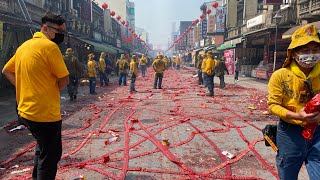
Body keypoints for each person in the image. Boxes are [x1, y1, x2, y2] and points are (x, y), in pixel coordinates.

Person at [2, 13, 69, 180]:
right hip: (45, 114)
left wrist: (24, 87)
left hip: (25, 112)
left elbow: (6, 71)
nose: (61, 34)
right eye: (58, 30)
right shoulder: (50, 47)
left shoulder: (23, 46)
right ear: (45, 28)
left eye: (63, 31)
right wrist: (52, 89)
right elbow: (64, 79)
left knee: (42, 149)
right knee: (50, 157)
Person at [268, 24, 320, 180]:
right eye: (305, 51)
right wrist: (297, 115)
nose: (311, 55)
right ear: (294, 53)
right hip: (290, 133)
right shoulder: (280, 75)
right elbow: (273, 105)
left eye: (315, 50)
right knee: (287, 175)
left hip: (318, 133)